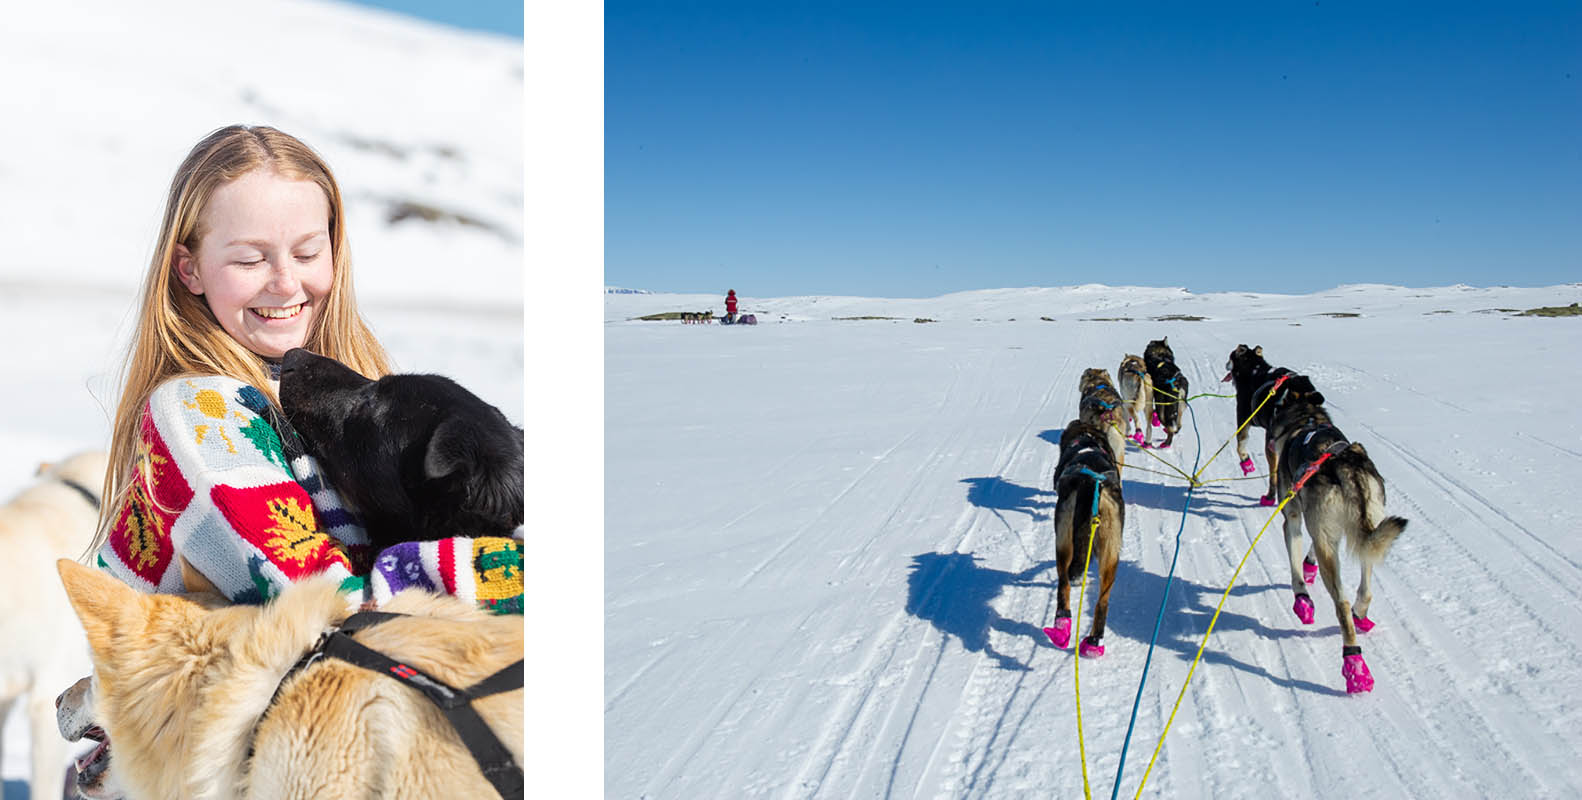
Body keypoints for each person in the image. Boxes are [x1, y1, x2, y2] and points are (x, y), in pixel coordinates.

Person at [86, 125, 522, 614]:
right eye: (250, 260)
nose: (286, 282)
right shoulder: (197, 416)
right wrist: (520, 578)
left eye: (308, 253)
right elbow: (328, 606)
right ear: (189, 270)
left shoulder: (334, 383)